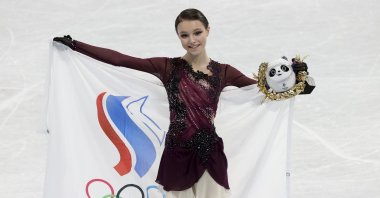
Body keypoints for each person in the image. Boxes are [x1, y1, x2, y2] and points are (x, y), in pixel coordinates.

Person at [54, 8, 308, 198]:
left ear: (208, 31)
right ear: (178, 36)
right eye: (184, 35)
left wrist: (299, 81)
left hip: (210, 156)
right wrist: (77, 46)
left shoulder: (224, 72)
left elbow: (262, 90)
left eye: (197, 32)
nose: (192, 40)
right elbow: (122, 60)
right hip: (177, 155)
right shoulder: (168, 67)